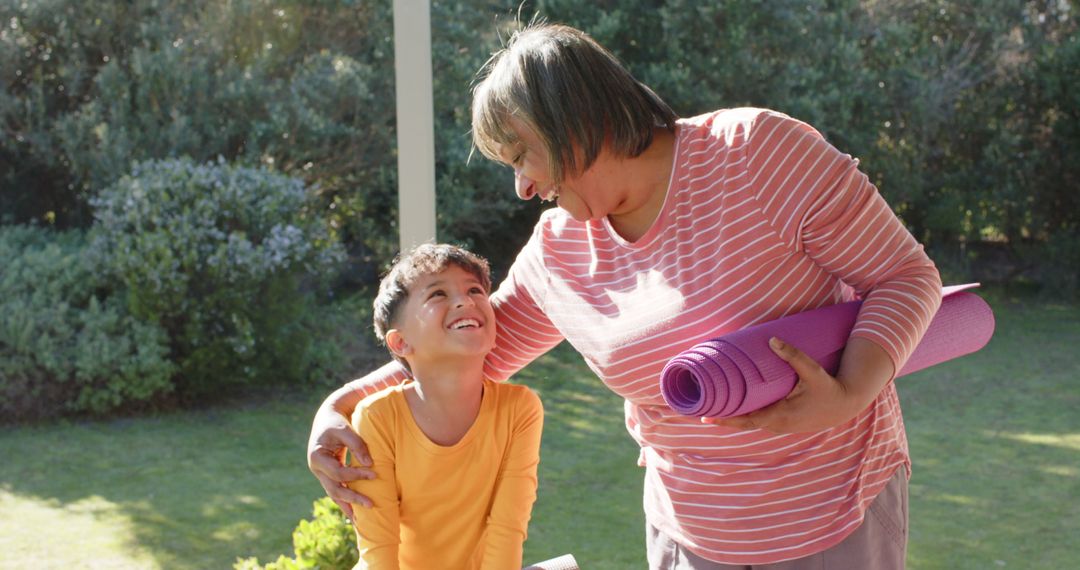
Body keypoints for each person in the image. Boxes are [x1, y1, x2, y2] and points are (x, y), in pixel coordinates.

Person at [309, 22, 942, 569]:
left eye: (523, 154)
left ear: (577, 119)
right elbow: (469, 353)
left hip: (834, 517)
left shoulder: (757, 154)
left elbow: (906, 277)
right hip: (687, 538)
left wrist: (850, 394)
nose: (522, 187)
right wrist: (338, 406)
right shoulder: (559, 248)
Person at [344, 243, 543, 569]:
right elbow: (379, 550)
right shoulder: (376, 417)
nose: (465, 300)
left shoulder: (520, 409)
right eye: (437, 295)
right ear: (400, 342)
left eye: (475, 290)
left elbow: (508, 529)